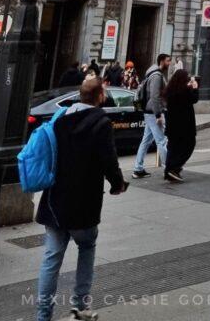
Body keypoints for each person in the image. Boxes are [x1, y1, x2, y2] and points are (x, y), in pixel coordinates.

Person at [35, 76, 127, 321]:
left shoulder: (60, 119)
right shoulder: (101, 122)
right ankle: (81, 306)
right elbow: (109, 160)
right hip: (83, 203)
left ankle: (43, 315)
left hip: (55, 200)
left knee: (51, 258)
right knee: (86, 247)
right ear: (99, 96)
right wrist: (118, 184)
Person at [132, 53, 171, 178]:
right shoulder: (156, 76)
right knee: (162, 141)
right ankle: (169, 168)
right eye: (168, 61)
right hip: (153, 113)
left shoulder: (152, 73)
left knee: (146, 141)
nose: (169, 63)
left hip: (149, 112)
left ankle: (138, 169)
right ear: (161, 61)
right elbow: (154, 96)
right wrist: (158, 115)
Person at [164, 69, 199, 182]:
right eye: (187, 78)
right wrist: (195, 87)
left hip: (172, 126)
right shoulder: (184, 91)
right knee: (189, 146)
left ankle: (169, 171)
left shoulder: (171, 90)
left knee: (173, 148)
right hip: (184, 126)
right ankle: (174, 167)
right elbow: (194, 99)